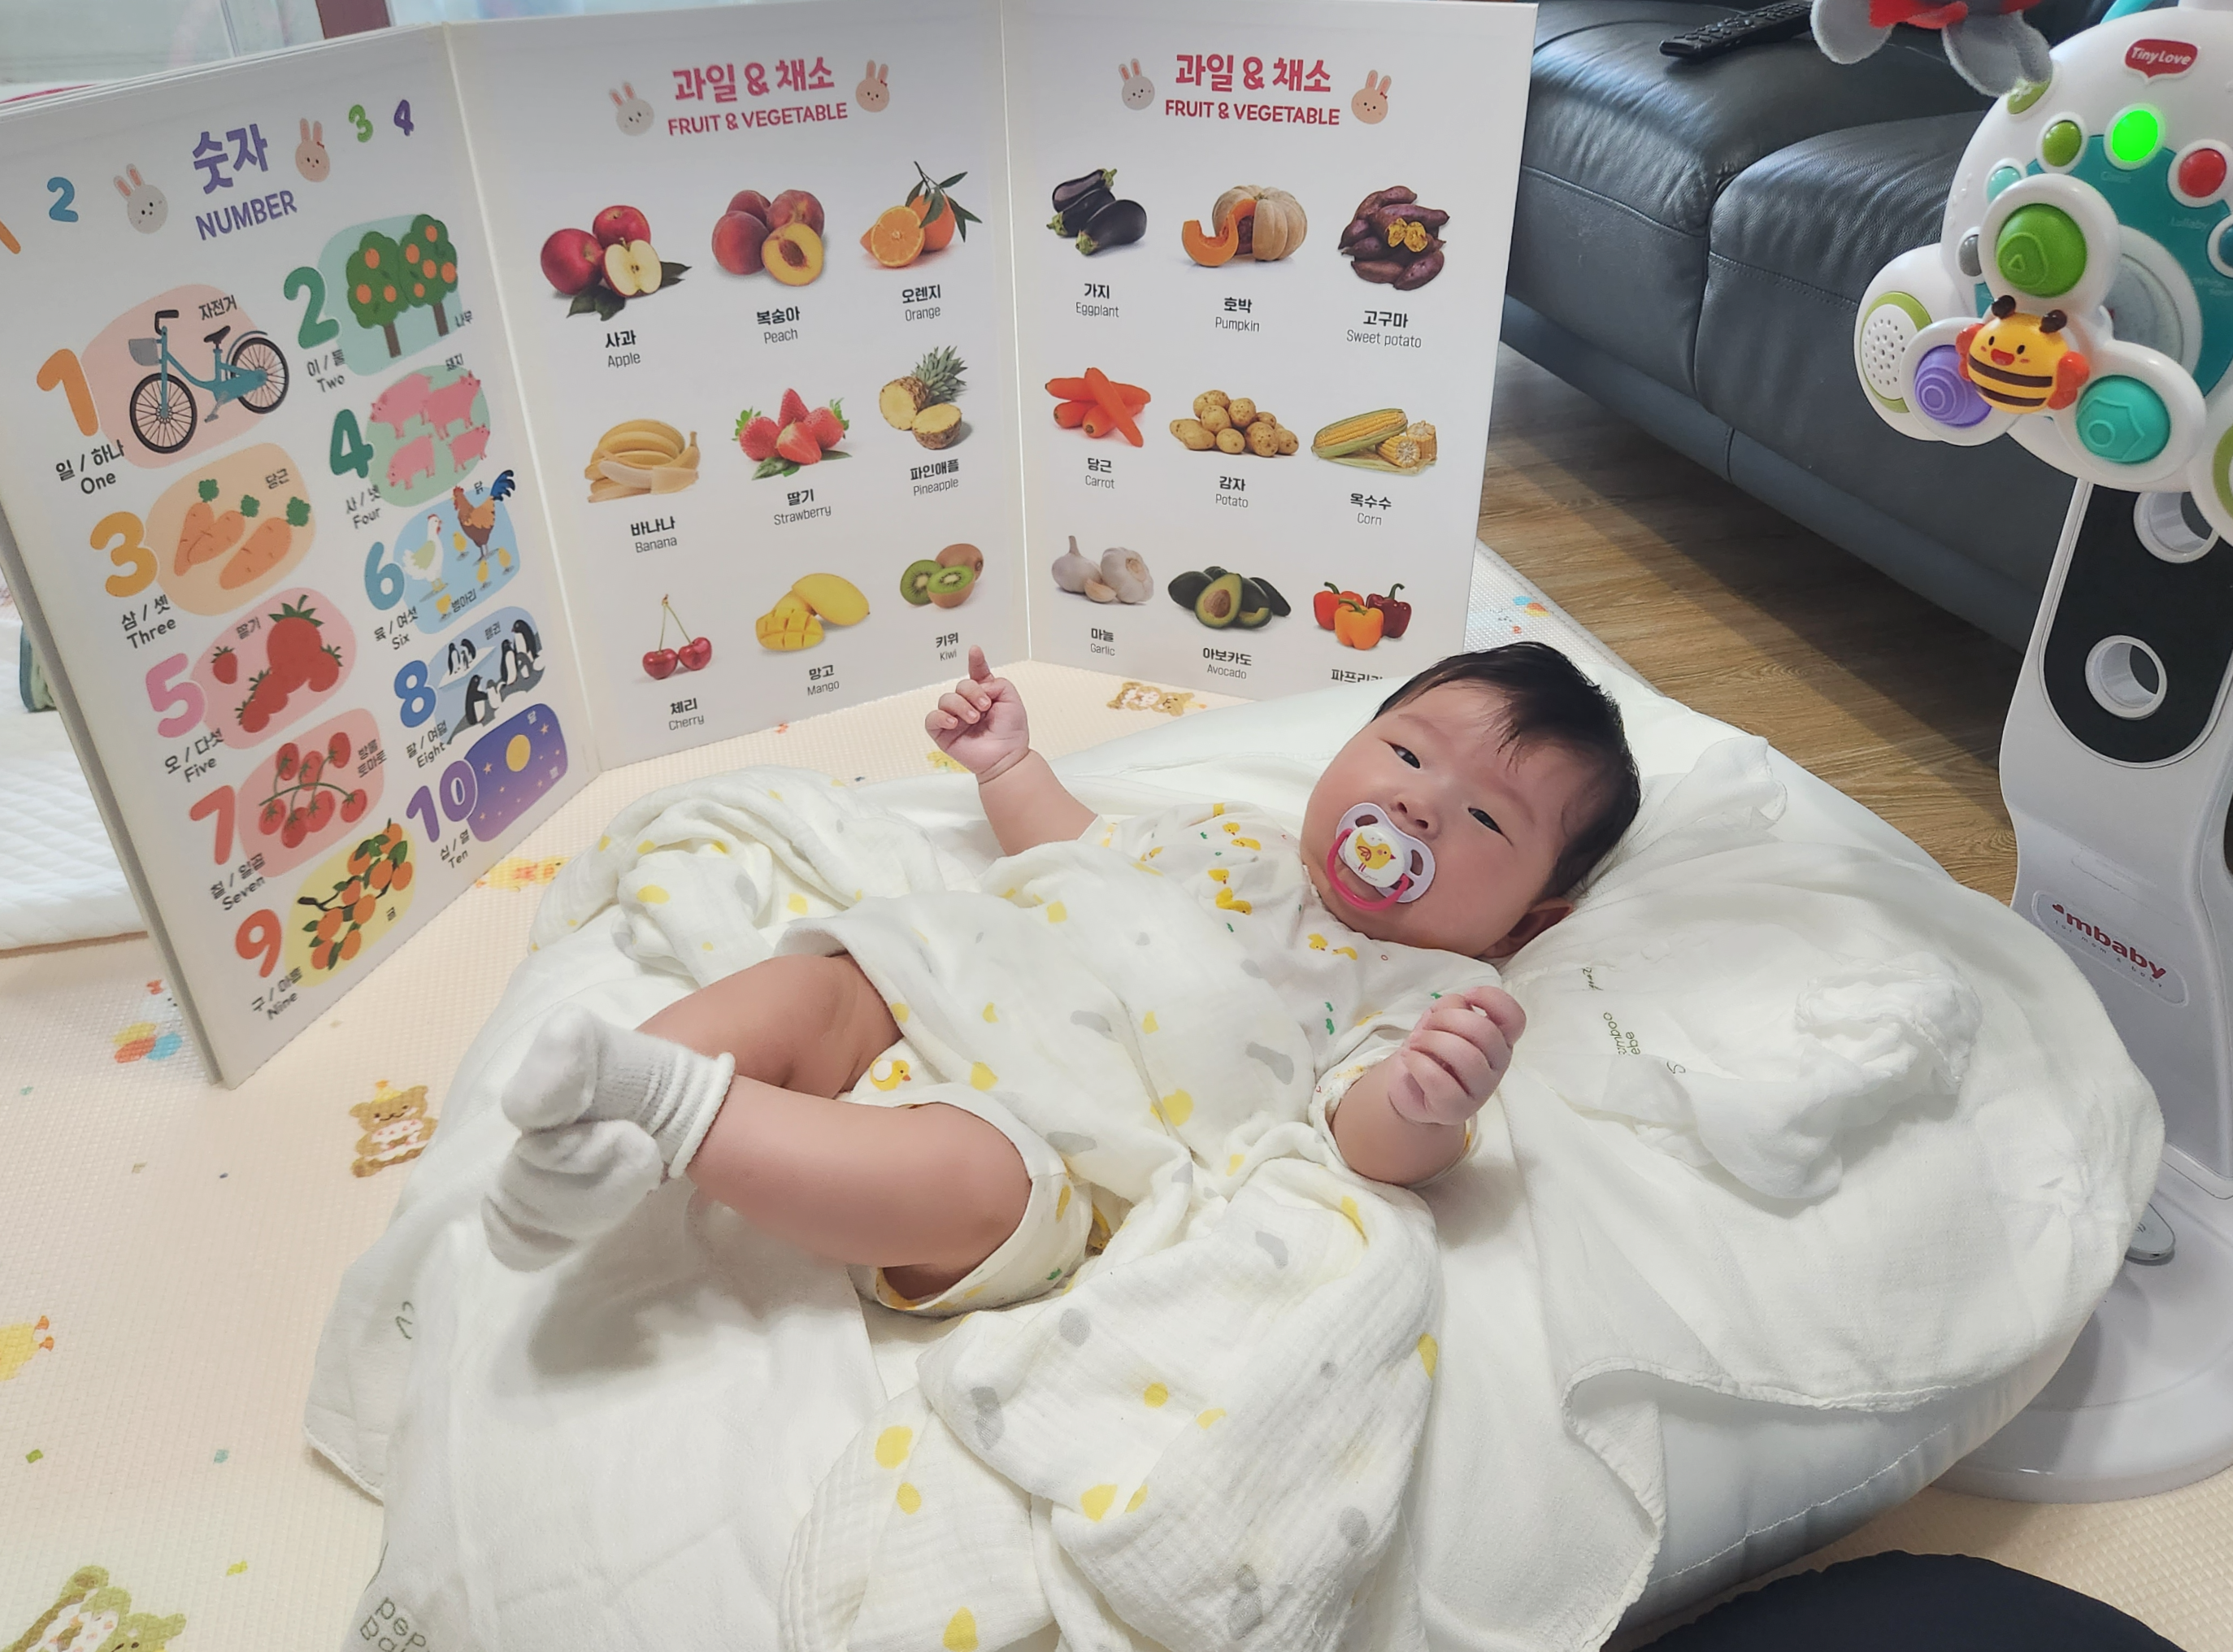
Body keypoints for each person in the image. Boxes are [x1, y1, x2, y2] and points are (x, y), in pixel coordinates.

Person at [483, 641, 1642, 1308]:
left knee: (968, 1189)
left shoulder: (1421, 990)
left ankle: (667, 1110)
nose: (1416, 807)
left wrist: (1429, 1100)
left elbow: (1366, 1137)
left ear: (1527, 921)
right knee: (828, 984)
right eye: (1403, 753)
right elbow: (1073, 845)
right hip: (954, 980)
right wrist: (1008, 764)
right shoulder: (1225, 836)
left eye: (1484, 819)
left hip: (1064, 1131)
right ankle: (592, 1129)